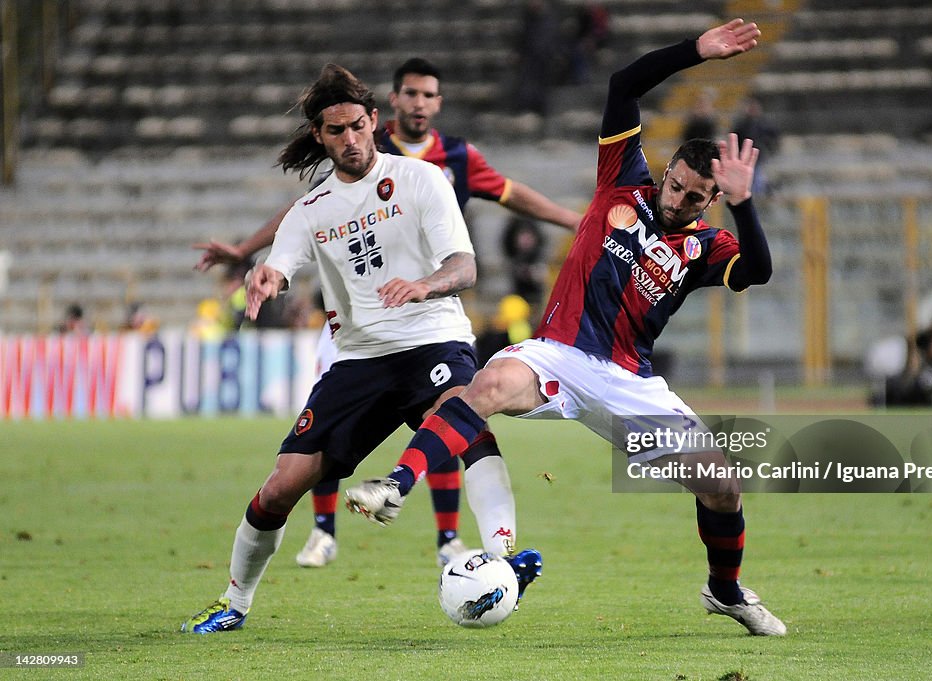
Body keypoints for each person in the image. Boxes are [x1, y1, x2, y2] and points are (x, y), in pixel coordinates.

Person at [346, 19, 787, 636]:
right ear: (666, 174)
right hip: (556, 355)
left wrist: (745, 206)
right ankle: (396, 483)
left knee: (720, 486)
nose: (678, 199)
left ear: (712, 201)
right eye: (676, 185)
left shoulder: (708, 246)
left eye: (695, 196)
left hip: (629, 382)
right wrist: (696, 52)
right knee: (487, 388)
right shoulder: (621, 182)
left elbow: (759, 271)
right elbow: (623, 84)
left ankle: (726, 590)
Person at [182, 64, 541, 634]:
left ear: (375, 120)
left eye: (356, 126)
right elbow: (280, 260)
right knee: (281, 486)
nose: (349, 140)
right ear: (319, 136)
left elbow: (465, 265)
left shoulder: (423, 181)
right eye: (335, 131)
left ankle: (504, 556)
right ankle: (234, 602)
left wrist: (427, 284)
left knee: (464, 416)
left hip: (431, 339)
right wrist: (265, 277)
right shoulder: (311, 210)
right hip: (358, 359)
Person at [731, 95, 778, 195]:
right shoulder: (742, 124)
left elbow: (773, 136)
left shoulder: (763, 123)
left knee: (757, 176)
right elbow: (735, 138)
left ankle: (758, 196)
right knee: (750, 177)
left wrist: (769, 147)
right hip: (744, 156)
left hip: (759, 155)